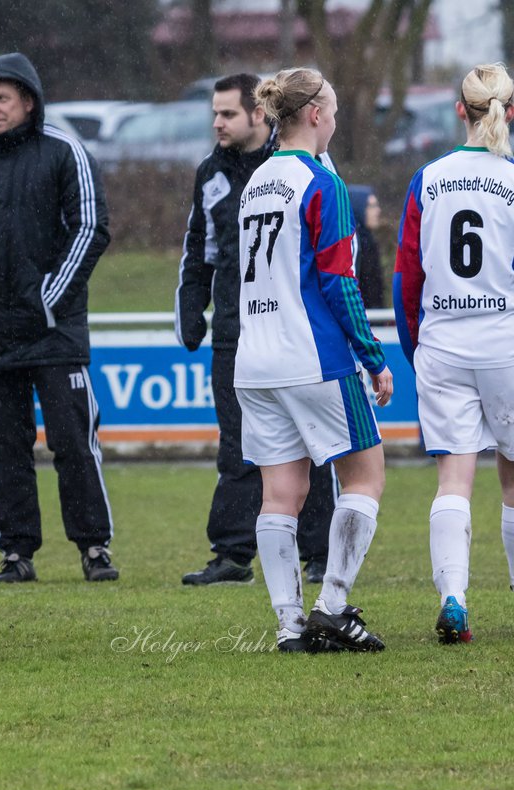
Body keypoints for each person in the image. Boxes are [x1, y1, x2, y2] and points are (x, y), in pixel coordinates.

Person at [0, 52, 115, 584]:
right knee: (5, 450)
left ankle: (94, 548)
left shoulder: (64, 151)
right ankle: (16, 554)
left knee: (72, 441)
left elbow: (91, 229)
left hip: (54, 331)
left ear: (28, 101)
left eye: (2, 99)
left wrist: (48, 298)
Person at [236, 69, 392, 653]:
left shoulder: (256, 182)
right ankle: (330, 605)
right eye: (333, 110)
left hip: (255, 361)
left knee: (280, 495)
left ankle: (289, 626)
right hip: (313, 358)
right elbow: (339, 282)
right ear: (317, 117)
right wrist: (372, 357)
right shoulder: (323, 185)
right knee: (366, 476)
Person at [176, 73, 338, 587]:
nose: (217, 123)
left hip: (293, 331)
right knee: (237, 444)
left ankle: (320, 553)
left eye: (227, 114)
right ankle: (232, 553)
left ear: (259, 115)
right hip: (234, 332)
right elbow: (198, 248)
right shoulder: (210, 172)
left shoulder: (298, 165)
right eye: (214, 114)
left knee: (313, 446)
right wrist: (190, 305)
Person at [393, 62, 514, 645]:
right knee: (512, 483)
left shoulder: (428, 178)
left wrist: (415, 346)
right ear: (509, 112)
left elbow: (406, 275)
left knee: (453, 481)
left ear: (459, 111)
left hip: (442, 341)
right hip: (504, 341)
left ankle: (454, 599)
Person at [348, 185, 385, 309]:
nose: (378, 211)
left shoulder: (369, 243)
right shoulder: (355, 245)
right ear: (359, 208)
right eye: (372, 206)